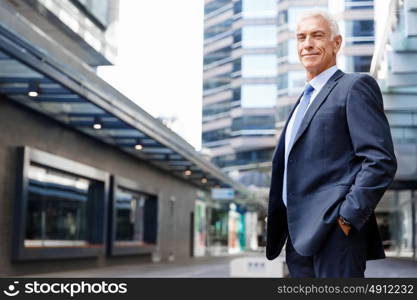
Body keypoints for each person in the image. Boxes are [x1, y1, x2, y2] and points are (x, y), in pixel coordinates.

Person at [265, 11, 397, 278]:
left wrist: (346, 218)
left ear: (337, 43)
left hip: (334, 235)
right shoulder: (302, 102)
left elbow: (380, 160)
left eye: (317, 35)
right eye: (301, 37)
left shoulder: (354, 86)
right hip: (297, 239)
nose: (308, 44)